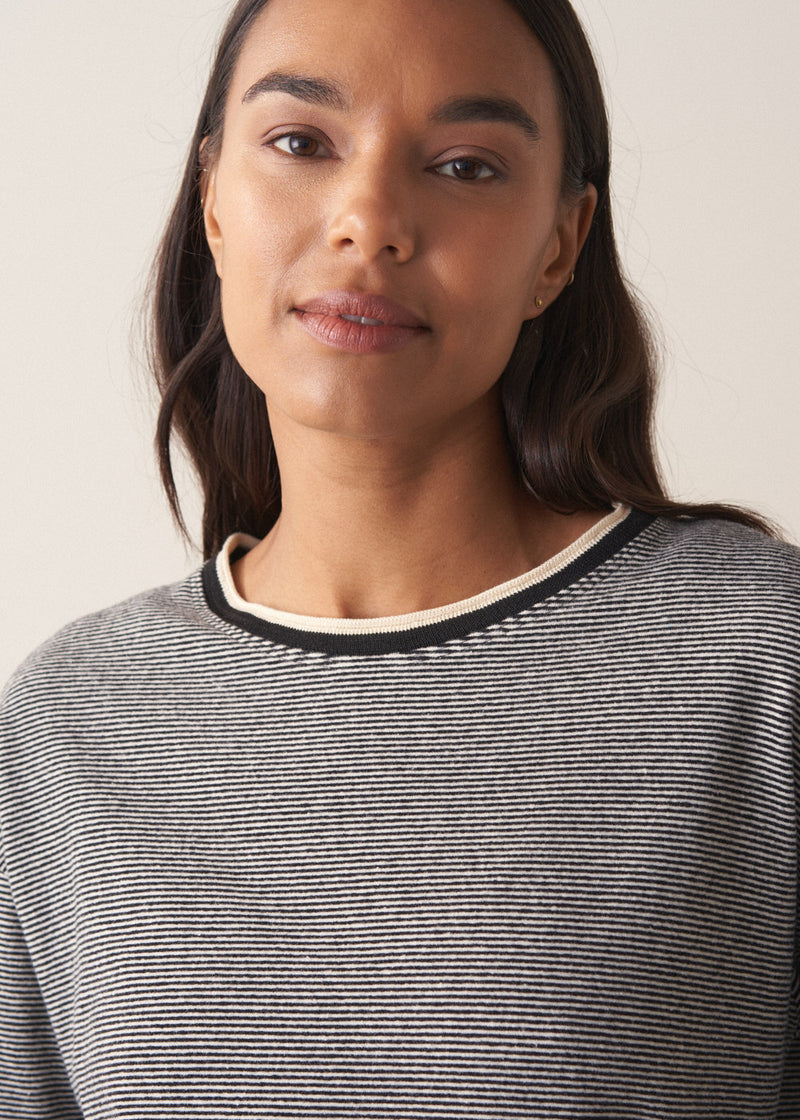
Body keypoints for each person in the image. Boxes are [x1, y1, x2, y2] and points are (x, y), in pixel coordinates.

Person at [1, 0, 798, 1115]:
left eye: (465, 165)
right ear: (215, 199)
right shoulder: (64, 724)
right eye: (299, 143)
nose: (368, 218)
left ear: (556, 248)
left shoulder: (758, 660)